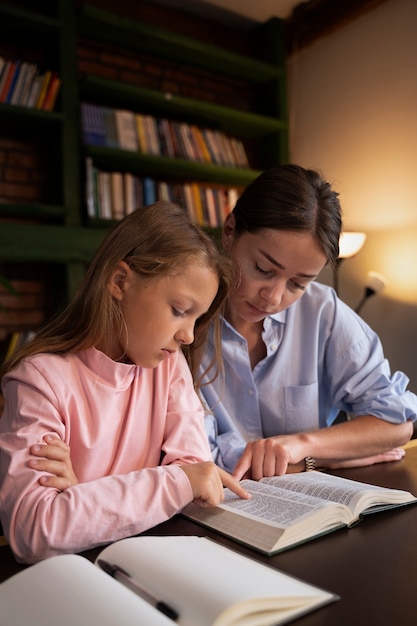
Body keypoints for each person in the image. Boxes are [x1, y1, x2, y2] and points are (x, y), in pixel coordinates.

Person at [0, 201, 249, 564]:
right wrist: (174, 483)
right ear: (120, 282)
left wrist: (82, 494)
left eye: (197, 319)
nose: (190, 337)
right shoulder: (39, 381)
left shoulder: (169, 368)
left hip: (152, 563)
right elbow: (35, 530)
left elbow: (199, 480)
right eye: (180, 311)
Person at [198, 164, 416, 480]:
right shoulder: (185, 318)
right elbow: (200, 460)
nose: (273, 298)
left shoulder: (322, 311)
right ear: (230, 231)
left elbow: (396, 423)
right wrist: (322, 461)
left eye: (298, 283)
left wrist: (301, 445)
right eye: (263, 268)